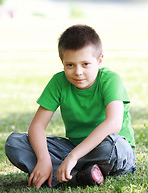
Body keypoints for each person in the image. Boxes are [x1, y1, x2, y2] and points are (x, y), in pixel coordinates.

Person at [5, 24, 136, 189]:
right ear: (62, 62)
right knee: (14, 143)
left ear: (99, 60)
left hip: (108, 149)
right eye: (70, 65)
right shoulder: (58, 82)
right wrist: (43, 158)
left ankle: (65, 173)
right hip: (74, 148)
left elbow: (113, 124)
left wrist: (73, 157)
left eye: (85, 64)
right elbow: (37, 126)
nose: (78, 72)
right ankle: (80, 175)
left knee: (116, 146)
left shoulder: (111, 80)